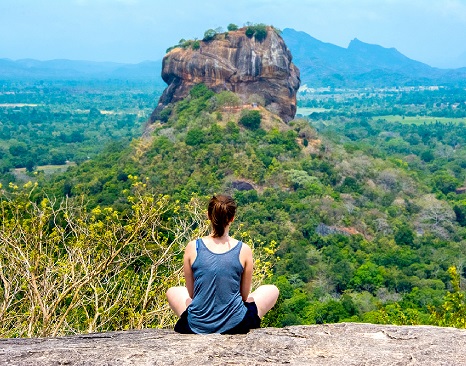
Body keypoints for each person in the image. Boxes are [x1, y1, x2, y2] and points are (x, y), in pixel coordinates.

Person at [166, 194, 279, 334]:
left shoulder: (192, 247)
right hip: (236, 325)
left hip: (196, 326)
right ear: (232, 218)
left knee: (173, 291)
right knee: (272, 289)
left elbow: (192, 294)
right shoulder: (243, 250)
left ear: (208, 215)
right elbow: (244, 296)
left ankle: (204, 320)